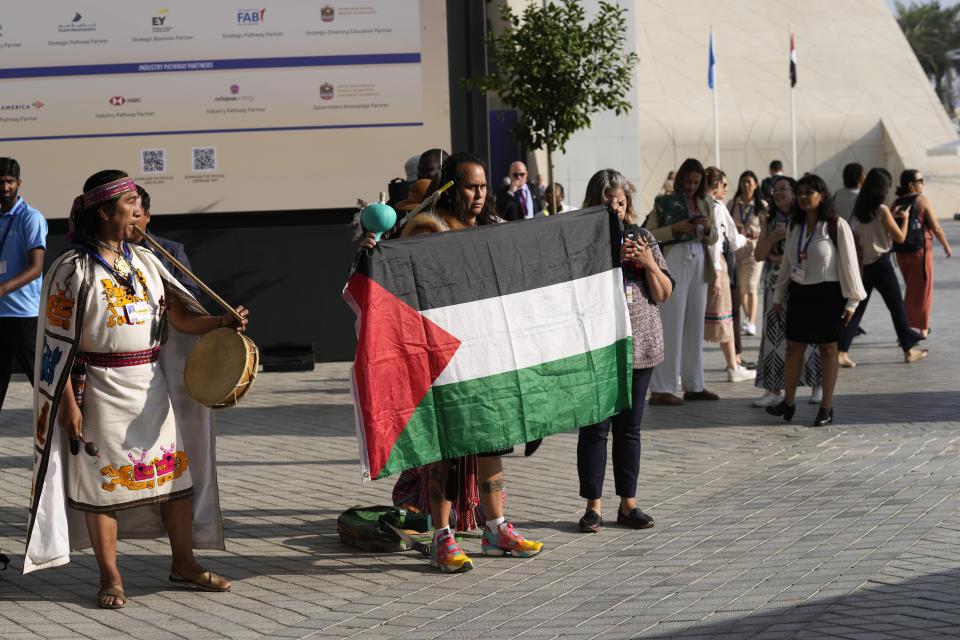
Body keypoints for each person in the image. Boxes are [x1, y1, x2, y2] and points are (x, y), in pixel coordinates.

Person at [24, 171, 249, 608]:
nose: (138, 210)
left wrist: (221, 322)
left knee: (174, 481)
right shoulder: (70, 270)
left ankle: (183, 563)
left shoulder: (146, 261)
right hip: (99, 392)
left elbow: (181, 320)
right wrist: (68, 406)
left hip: (151, 388)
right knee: (102, 489)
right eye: (130, 202)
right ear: (106, 211)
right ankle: (110, 576)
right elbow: (55, 349)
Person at [365, 153, 543, 573]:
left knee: (491, 442)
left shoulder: (491, 229)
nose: (479, 194)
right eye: (469, 187)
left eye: (483, 187)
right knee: (445, 451)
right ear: (449, 188)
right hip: (443, 361)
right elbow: (414, 291)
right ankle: (441, 537)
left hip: (486, 356)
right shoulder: (429, 228)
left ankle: (496, 527)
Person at [576, 170, 672, 534]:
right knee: (595, 428)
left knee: (629, 430)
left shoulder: (644, 237)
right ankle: (593, 506)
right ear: (592, 202)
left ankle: (627, 504)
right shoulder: (583, 242)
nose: (615, 208)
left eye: (621, 201)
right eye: (607, 202)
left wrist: (647, 262)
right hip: (598, 347)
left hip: (640, 346)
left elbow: (663, 293)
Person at [767, 174, 865, 427]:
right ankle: (788, 403)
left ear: (821, 196)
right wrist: (779, 294)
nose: (802, 197)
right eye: (799, 192)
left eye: (808, 192)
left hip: (828, 293)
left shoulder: (835, 224)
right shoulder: (794, 226)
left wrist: (852, 302)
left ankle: (826, 407)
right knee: (793, 348)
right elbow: (788, 262)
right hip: (799, 292)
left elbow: (850, 264)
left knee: (828, 349)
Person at [644, 158, 720, 405]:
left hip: (699, 257)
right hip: (674, 257)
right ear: (680, 179)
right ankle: (662, 387)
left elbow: (714, 238)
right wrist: (674, 229)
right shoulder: (665, 202)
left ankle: (694, 384)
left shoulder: (706, 202)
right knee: (672, 323)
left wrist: (708, 228)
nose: (691, 185)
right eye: (688, 181)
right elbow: (650, 233)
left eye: (696, 182)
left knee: (695, 324)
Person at [837, 168, 926, 367]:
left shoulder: (859, 209)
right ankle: (909, 350)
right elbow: (900, 238)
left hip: (864, 265)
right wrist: (903, 219)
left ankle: (841, 350)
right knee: (896, 308)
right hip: (882, 264)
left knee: (857, 308)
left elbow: (859, 235)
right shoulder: (882, 209)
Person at [752, 176, 823, 407]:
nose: (779, 193)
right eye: (775, 190)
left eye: (784, 188)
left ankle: (817, 385)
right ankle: (773, 389)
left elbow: (809, 251)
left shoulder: (805, 216)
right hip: (775, 282)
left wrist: (780, 257)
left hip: (803, 281)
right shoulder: (769, 218)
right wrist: (773, 238)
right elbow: (759, 255)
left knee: (811, 332)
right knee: (773, 335)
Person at [0, 158, 47, 411]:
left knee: (40, 383)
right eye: (0, 182)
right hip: (0, 314)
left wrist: (2, 289)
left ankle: (59, 439)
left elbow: (36, 268)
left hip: (23, 314)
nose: (5, 187)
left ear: (19, 183)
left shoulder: (31, 218)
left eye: (9, 181)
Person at [704, 168, 754, 382]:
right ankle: (733, 366)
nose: (725, 189)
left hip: (699, 263)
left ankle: (733, 364)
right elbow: (726, 239)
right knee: (724, 316)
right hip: (716, 265)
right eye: (724, 185)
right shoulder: (716, 206)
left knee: (697, 319)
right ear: (717, 185)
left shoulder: (697, 205)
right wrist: (748, 240)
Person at [891, 169, 952, 339]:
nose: (923, 183)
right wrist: (946, 245)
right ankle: (921, 329)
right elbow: (935, 226)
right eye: (921, 180)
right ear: (911, 184)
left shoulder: (896, 202)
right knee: (923, 290)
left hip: (901, 253)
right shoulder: (921, 200)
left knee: (912, 289)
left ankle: (906, 329)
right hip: (920, 250)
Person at [133, 186, 200, 299]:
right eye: (124, 215)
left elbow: (191, 294)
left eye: (136, 215)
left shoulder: (171, 250)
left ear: (147, 216)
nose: (130, 221)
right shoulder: (110, 250)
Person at [728, 170, 767, 336]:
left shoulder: (762, 205)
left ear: (756, 185)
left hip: (754, 249)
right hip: (738, 248)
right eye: (743, 182)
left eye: (749, 182)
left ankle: (751, 322)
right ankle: (747, 317)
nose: (746, 185)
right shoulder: (733, 204)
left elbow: (767, 227)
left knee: (751, 285)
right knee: (741, 287)